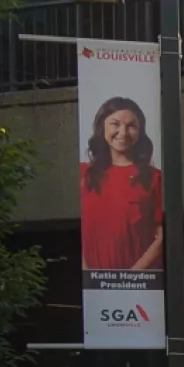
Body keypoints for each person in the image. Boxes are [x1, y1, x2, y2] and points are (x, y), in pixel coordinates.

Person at [78, 96, 163, 271]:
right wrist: (87, 274)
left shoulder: (154, 178)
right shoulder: (84, 173)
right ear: (102, 126)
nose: (123, 132)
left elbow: (162, 237)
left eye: (131, 126)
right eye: (115, 124)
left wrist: (130, 277)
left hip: (139, 280)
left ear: (140, 132)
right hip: (92, 281)